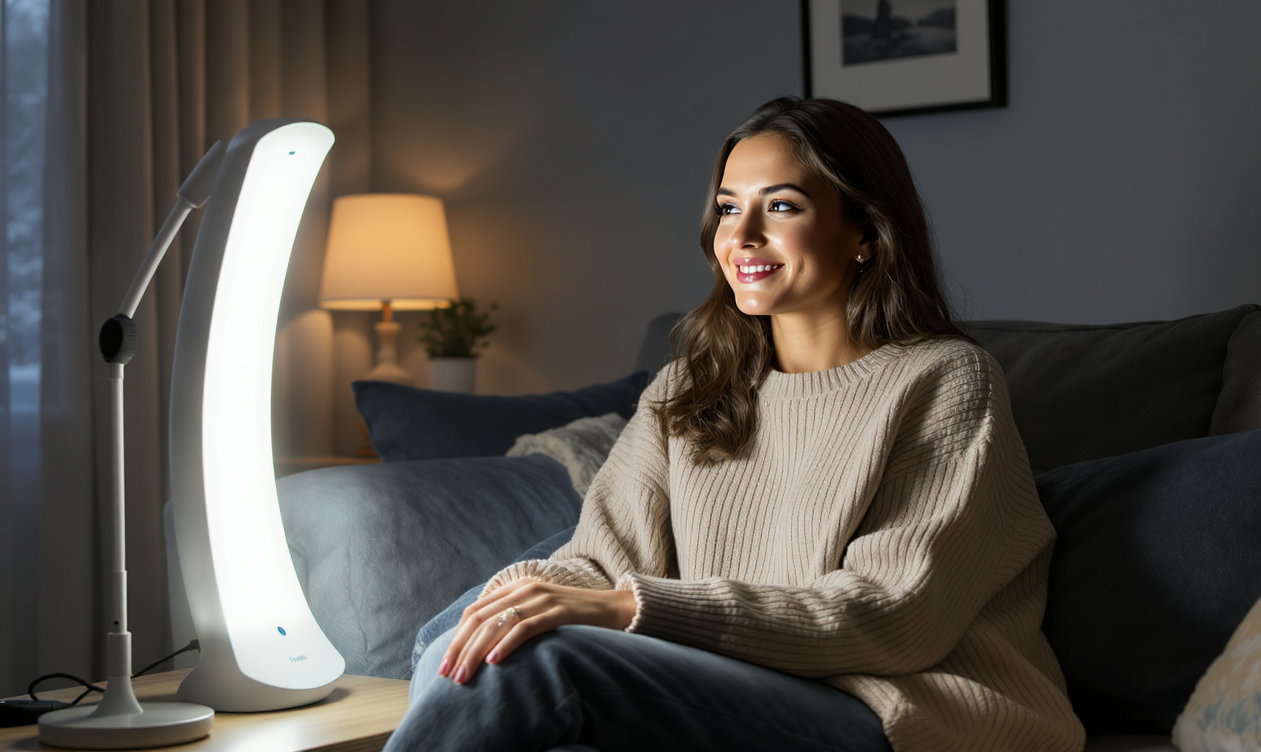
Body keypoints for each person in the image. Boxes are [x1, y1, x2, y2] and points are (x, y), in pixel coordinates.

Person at [383, 96, 1087, 752]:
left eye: (780, 206)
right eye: (727, 208)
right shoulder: (691, 386)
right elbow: (603, 559)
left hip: (895, 708)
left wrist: (628, 606)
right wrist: (522, 592)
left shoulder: (943, 380)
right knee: (461, 634)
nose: (742, 236)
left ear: (865, 233)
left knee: (540, 663)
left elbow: (895, 616)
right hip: (732, 680)